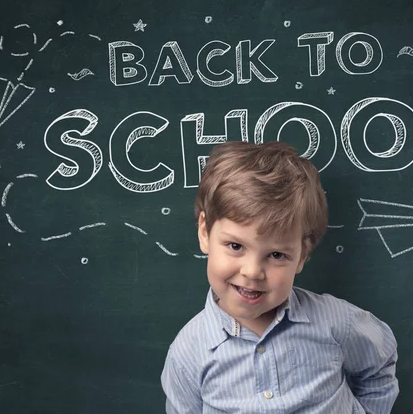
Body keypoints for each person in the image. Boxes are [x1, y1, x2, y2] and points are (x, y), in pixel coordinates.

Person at [161, 141, 399, 413]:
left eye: (276, 255)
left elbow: (378, 364)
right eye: (236, 246)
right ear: (205, 232)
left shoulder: (335, 322)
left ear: (301, 255)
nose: (252, 272)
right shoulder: (188, 352)